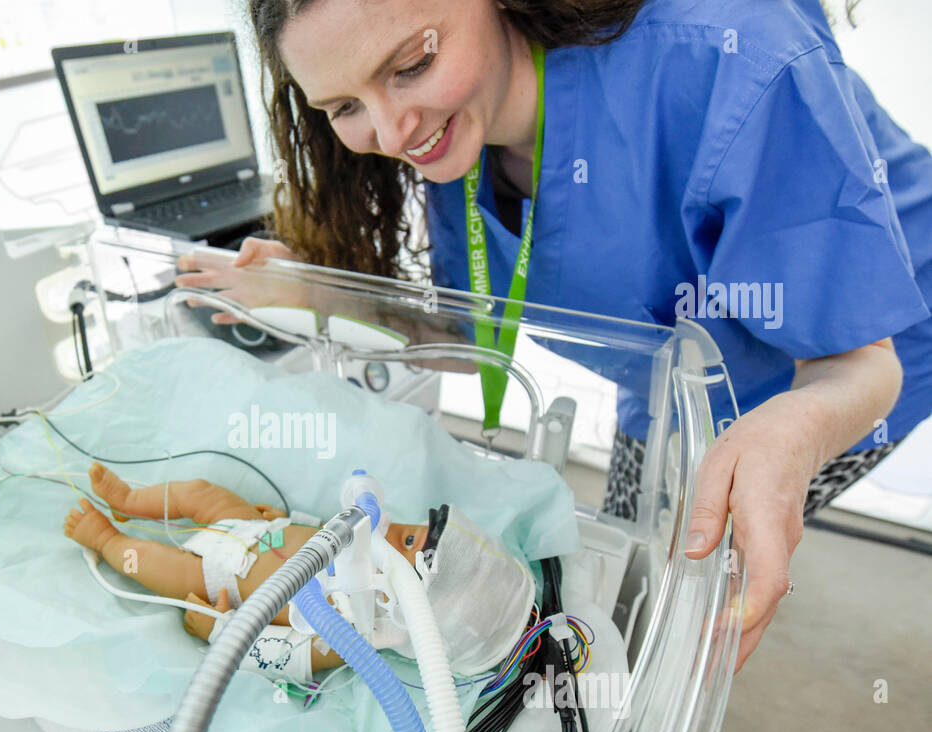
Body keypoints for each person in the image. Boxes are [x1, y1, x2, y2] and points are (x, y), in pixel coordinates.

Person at [175, 0, 932, 671]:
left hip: (863, 342)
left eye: (412, 64)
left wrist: (794, 432)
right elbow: (467, 333)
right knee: (631, 566)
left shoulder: (729, 55)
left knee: (692, 580)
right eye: (343, 106)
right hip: (670, 363)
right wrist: (318, 292)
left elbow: (861, 363)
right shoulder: (452, 137)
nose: (392, 131)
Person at [63, 462, 533, 678]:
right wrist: (280, 524)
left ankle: (106, 539)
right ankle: (130, 501)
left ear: (404, 605)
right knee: (201, 493)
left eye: (408, 541)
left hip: (216, 577)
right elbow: (325, 536)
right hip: (255, 526)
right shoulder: (364, 539)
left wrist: (220, 630)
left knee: (154, 566)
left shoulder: (353, 632)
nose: (393, 529)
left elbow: (283, 655)